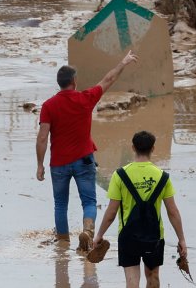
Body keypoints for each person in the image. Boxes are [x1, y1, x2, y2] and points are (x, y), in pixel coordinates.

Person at [36, 50, 139, 250]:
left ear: (59, 82)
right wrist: (123, 63)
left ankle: (63, 243)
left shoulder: (48, 106)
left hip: (59, 163)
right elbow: (108, 79)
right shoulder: (85, 98)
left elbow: (42, 137)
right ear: (74, 81)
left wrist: (39, 165)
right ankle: (88, 232)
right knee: (89, 201)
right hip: (83, 159)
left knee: (60, 204)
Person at [94, 131, 186, 288]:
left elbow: (111, 212)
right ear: (153, 148)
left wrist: (99, 235)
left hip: (128, 235)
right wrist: (181, 239)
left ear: (133, 148)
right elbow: (173, 211)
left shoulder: (120, 175)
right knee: (153, 275)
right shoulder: (162, 177)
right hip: (154, 235)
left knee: (132, 279)